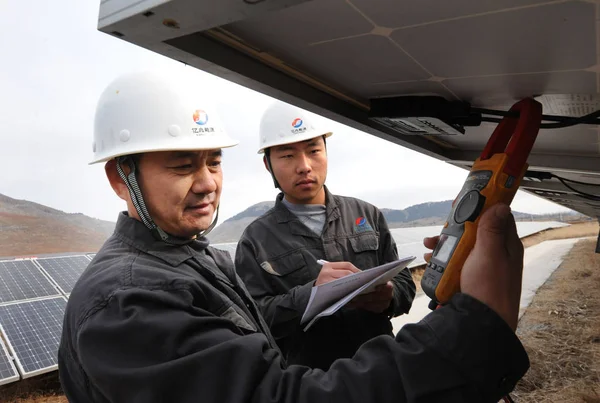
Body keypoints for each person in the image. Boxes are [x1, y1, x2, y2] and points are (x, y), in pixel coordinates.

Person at [58, 72, 529, 403]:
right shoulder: (129, 301)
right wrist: (470, 329)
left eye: (214, 162)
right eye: (183, 165)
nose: (206, 183)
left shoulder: (200, 258)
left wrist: (390, 296)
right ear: (121, 179)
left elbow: (403, 290)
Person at [234, 102, 416, 369]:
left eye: (314, 151)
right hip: (311, 385)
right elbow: (253, 319)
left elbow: (404, 283)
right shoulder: (255, 239)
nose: (304, 166)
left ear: (326, 152)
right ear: (267, 164)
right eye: (287, 156)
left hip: (382, 370)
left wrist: (390, 297)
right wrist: (312, 295)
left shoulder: (367, 214)